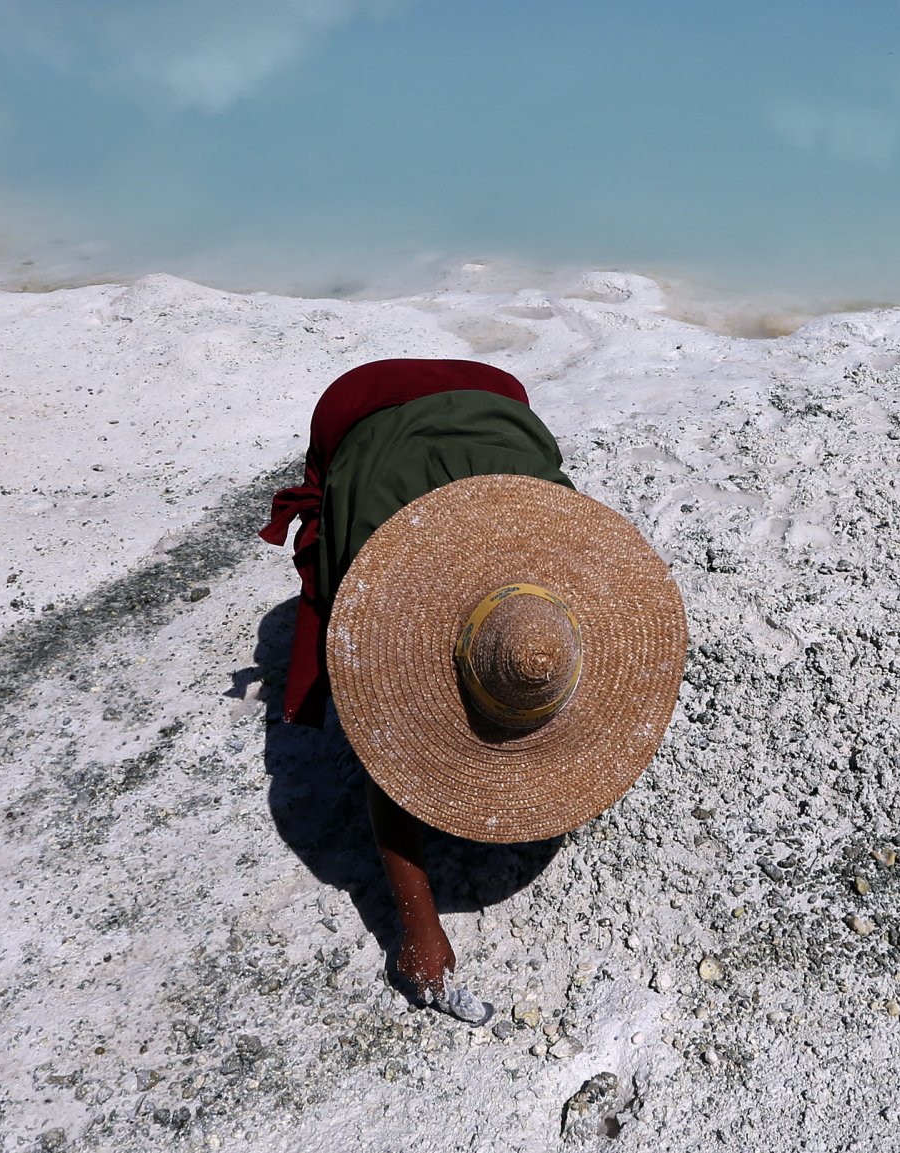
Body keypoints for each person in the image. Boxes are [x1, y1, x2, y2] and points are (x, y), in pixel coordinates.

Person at [260, 359, 688, 1020]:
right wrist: (418, 926)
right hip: (359, 410)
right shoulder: (393, 605)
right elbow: (387, 764)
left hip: (499, 398)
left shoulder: (563, 595)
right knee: (349, 633)